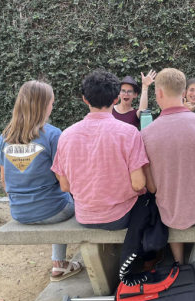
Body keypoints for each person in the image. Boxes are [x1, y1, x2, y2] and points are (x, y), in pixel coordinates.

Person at [51, 70, 162, 272]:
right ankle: (148, 259)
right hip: (120, 217)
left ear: (85, 99)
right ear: (116, 98)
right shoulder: (129, 133)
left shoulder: (66, 135)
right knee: (150, 202)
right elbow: (139, 184)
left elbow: (65, 185)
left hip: (84, 216)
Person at [0, 80, 82, 282]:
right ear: (44, 105)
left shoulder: (5, 137)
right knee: (73, 201)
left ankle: (60, 264)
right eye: (51, 102)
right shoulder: (53, 134)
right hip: (54, 211)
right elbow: (64, 182)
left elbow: (5, 182)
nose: (53, 106)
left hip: (19, 212)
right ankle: (59, 264)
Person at [141, 68, 195, 265]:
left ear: (159, 92)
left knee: (170, 204)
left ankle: (179, 263)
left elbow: (152, 188)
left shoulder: (145, 135)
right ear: (183, 92)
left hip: (169, 214)